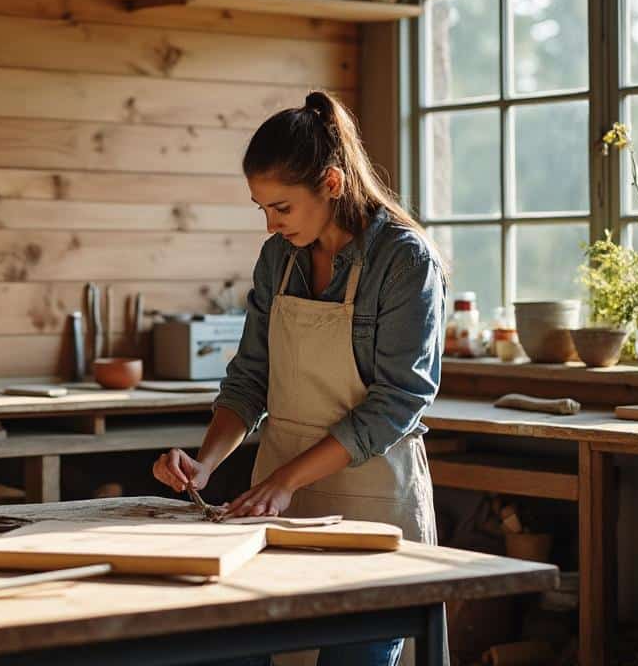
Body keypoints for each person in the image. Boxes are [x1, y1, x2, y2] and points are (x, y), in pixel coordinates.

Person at [152, 91, 446, 666]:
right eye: (261, 208)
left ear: (331, 184)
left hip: (371, 504)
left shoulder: (404, 261)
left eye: (281, 208)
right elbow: (249, 380)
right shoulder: (277, 259)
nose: (270, 223)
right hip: (278, 506)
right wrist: (206, 463)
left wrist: (285, 480)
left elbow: (397, 401)